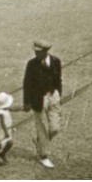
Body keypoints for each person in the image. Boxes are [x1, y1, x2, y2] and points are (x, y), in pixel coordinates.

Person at [22, 40, 62, 169]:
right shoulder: (32, 64)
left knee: (55, 128)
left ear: (45, 52)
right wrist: (27, 102)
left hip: (53, 97)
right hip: (39, 99)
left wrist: (58, 93)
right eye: (35, 51)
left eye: (38, 52)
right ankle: (43, 156)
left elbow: (58, 79)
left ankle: (40, 142)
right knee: (42, 127)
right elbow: (27, 83)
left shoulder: (56, 61)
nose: (35, 54)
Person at [0, 91, 16, 166]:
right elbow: (2, 123)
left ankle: (2, 153)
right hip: (1, 131)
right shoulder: (0, 112)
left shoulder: (6, 110)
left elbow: (8, 120)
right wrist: (6, 132)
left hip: (6, 129)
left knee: (10, 143)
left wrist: (11, 127)